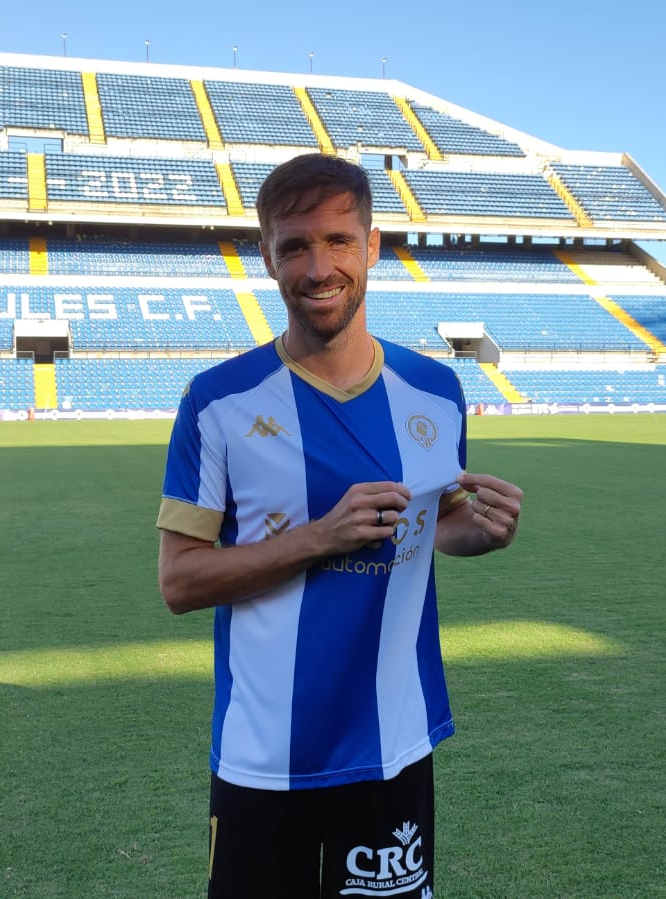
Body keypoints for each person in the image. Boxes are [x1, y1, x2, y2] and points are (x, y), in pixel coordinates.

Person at [157, 152, 523, 898]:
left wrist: (481, 532)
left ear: (372, 246)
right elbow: (180, 581)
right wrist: (319, 537)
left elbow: (437, 523)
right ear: (266, 257)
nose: (318, 268)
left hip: (392, 739)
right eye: (294, 246)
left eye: (338, 241)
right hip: (264, 754)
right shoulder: (216, 401)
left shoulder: (435, 390)